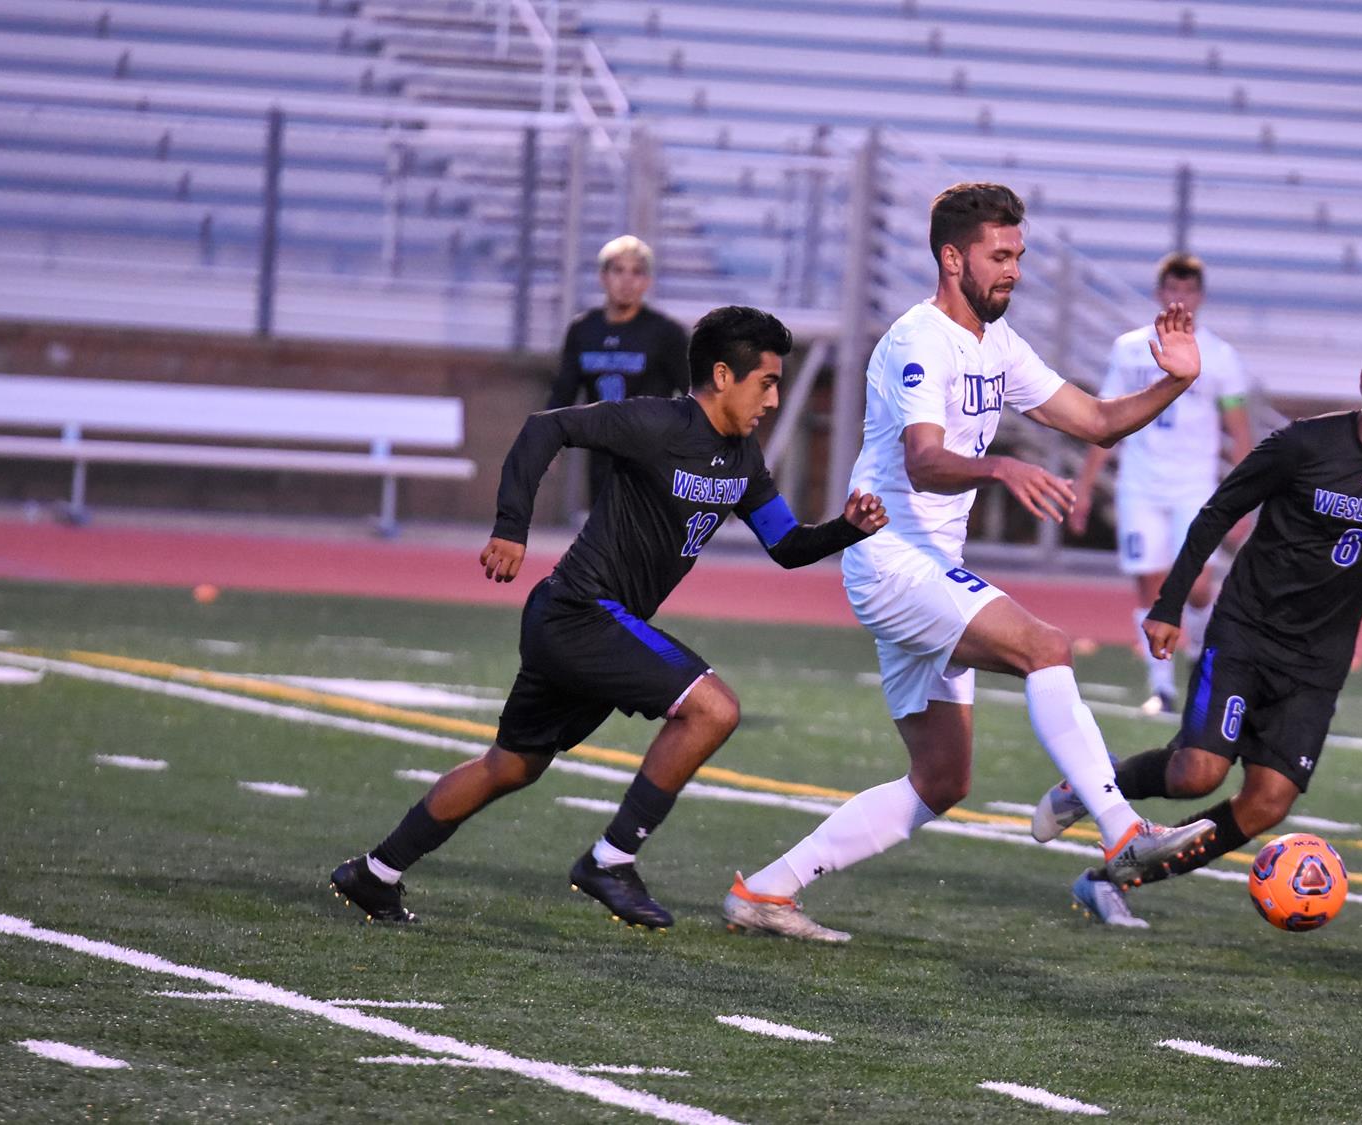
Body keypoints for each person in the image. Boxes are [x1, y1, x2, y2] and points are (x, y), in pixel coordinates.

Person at [720, 182, 1216, 943]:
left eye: (1019, 254)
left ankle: (766, 889)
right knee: (1046, 645)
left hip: (927, 567)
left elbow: (1097, 423)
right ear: (953, 259)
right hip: (890, 559)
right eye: (1001, 255)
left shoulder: (998, 343)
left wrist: (1176, 377)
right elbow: (922, 461)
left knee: (942, 779)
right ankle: (1122, 831)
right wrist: (1000, 470)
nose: (1015, 269)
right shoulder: (919, 340)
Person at [330, 306, 888, 930]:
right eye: (767, 382)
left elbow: (785, 547)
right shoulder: (657, 422)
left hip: (582, 624)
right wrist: (512, 528)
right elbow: (546, 428)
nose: (776, 398)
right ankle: (610, 860)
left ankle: (374, 874)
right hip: (579, 611)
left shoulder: (743, 458)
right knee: (714, 709)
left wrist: (847, 528)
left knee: (510, 766)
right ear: (723, 376)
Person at [1029, 325, 1362, 929]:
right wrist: (1170, 606)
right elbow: (1217, 513)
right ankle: (1090, 785)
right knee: (1195, 772)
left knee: (1267, 803)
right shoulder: (1303, 446)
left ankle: (1111, 880)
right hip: (1246, 632)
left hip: (1317, 661)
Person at [1066, 252, 1253, 715]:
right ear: (1159, 294)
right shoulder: (1130, 349)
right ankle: (1162, 686)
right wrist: (1085, 487)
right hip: (1141, 485)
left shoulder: (1221, 356)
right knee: (1149, 583)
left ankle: (1196, 651)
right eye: (1172, 290)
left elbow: (1241, 434)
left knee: (1196, 587)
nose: (1180, 299)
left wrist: (1243, 504)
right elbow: (1104, 420)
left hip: (1194, 486)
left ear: (1200, 297)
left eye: (1188, 291)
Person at [548, 235, 692, 504]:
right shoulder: (584, 330)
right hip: (603, 452)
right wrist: (548, 440)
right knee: (606, 535)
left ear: (647, 281)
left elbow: (693, 391)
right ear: (603, 276)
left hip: (651, 454)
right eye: (618, 270)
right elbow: (563, 391)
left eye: (637, 272)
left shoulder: (665, 333)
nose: (627, 281)